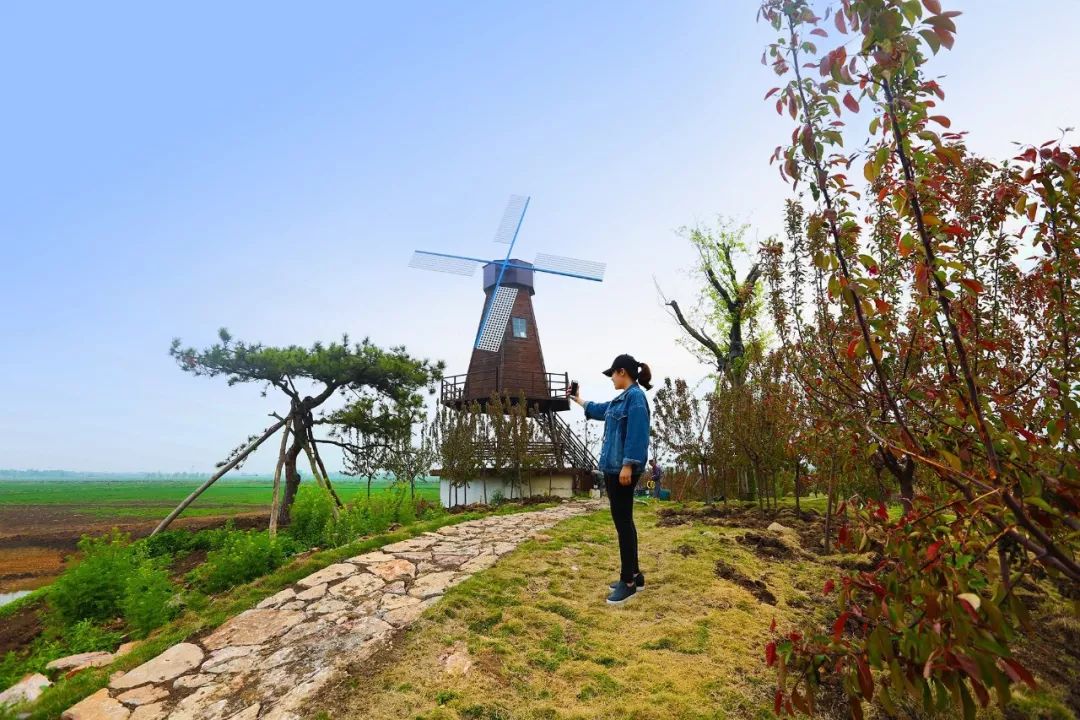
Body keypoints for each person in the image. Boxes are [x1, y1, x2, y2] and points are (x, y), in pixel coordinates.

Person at [569, 353, 653, 604]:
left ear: (622, 372)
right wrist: (578, 399)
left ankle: (627, 581)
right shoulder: (622, 400)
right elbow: (599, 409)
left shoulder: (636, 398)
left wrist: (628, 465)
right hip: (614, 469)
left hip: (621, 471)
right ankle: (635, 575)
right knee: (624, 522)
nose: (611, 379)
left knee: (623, 523)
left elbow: (638, 435)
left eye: (612, 375)